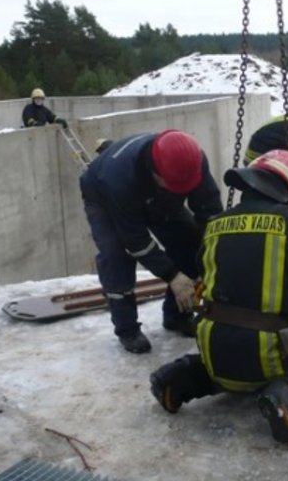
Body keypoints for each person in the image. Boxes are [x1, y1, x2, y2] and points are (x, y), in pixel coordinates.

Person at [149, 149, 288, 446]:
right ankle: (287, 397)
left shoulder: (214, 225)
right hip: (269, 352)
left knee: (224, 369)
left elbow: (207, 273)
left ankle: (179, 377)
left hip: (213, 344)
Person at [79, 130, 222, 354]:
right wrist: (172, 275)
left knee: (189, 241)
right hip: (103, 197)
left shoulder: (192, 160)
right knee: (115, 255)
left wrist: (216, 249)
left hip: (159, 199)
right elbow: (135, 240)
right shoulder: (118, 180)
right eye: (172, 185)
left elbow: (209, 209)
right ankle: (127, 329)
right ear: (155, 172)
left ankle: (177, 316)